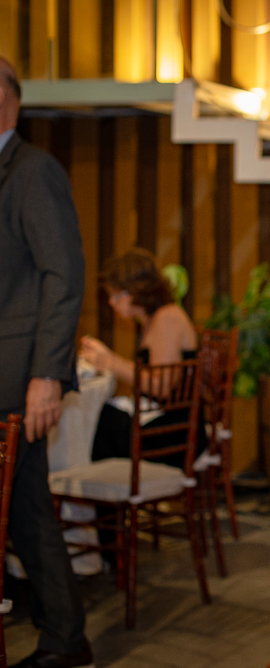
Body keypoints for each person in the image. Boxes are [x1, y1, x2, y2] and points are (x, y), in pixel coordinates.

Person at [0, 57, 94, 668]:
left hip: (16, 379)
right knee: (23, 512)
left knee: (25, 511)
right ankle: (64, 635)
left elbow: (63, 275)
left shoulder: (33, 170)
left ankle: (64, 638)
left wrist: (46, 374)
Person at [81, 248, 201, 471]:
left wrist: (110, 362)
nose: (112, 302)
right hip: (163, 418)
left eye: (117, 295)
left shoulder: (167, 317)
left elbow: (161, 387)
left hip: (177, 429)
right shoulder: (152, 318)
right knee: (107, 417)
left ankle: (102, 489)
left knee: (107, 421)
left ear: (137, 290)